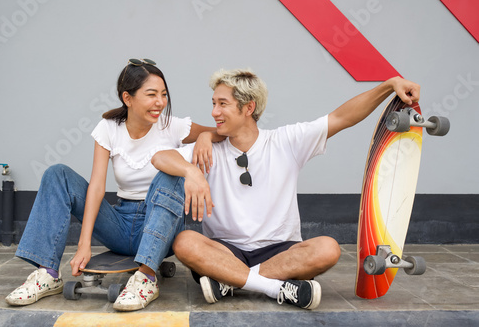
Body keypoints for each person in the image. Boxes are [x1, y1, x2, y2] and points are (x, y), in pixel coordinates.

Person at [151, 68, 420, 310]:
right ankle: (276, 287)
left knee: (328, 249)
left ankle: (230, 281)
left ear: (248, 108)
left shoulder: (285, 141)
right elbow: (159, 157)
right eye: (213, 104)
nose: (214, 112)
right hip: (225, 250)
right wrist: (191, 171)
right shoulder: (208, 149)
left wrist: (388, 85)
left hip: (281, 251)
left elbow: (343, 117)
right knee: (185, 242)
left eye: (223, 104)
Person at [5, 58, 222, 312]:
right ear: (127, 98)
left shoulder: (170, 126)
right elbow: (97, 186)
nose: (160, 102)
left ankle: (147, 278)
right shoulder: (108, 129)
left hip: (161, 224)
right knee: (57, 174)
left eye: (163, 94)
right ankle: (47, 273)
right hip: (120, 224)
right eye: (151, 95)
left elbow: (221, 132)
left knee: (169, 173)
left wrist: (205, 136)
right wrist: (84, 243)